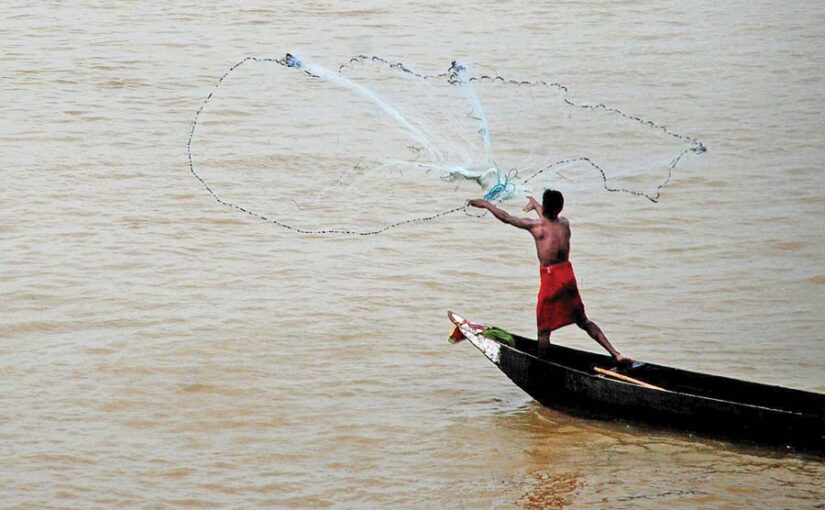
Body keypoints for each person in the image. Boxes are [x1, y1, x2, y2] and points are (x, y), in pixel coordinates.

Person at [468, 190, 630, 364]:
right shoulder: (565, 224)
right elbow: (549, 218)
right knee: (583, 320)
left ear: (545, 208)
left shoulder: (536, 227)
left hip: (551, 278)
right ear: (560, 208)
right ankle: (616, 354)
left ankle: (543, 367)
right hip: (567, 275)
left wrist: (485, 204)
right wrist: (536, 204)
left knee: (543, 330)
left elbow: (506, 218)